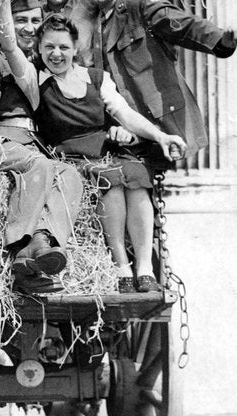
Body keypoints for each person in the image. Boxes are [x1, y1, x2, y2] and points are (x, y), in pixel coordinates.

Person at [35, 15, 186, 292]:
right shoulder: (38, 80)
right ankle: (121, 265)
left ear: (75, 48)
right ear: (39, 49)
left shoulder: (96, 78)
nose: (56, 54)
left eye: (63, 47)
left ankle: (144, 267)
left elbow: (124, 113)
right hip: (72, 157)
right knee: (111, 181)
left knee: (136, 174)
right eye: (49, 47)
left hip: (105, 149)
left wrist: (160, 136)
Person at [76, 0, 237, 161]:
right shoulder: (93, 20)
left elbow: (181, 24)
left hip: (162, 121)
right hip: (128, 130)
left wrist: (220, 40)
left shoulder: (139, 4)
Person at [0, 0, 84, 283]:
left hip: (33, 145)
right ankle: (19, 246)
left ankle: (43, 244)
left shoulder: (47, 59)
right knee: (39, 165)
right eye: (21, 20)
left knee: (69, 174)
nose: (29, 27)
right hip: (0, 139)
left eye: (34, 20)